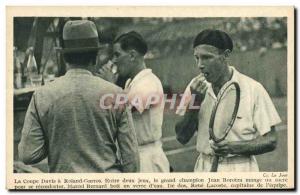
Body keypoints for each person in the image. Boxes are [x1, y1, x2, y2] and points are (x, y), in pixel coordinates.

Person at [18, 20, 139, 173]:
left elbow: (27, 154)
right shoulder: (116, 94)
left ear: (64, 57)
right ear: (95, 56)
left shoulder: (42, 95)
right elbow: (131, 162)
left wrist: (56, 139)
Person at [175, 29, 281, 172]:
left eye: (206, 57)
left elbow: (271, 140)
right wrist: (194, 103)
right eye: (197, 58)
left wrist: (234, 147)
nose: (200, 64)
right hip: (204, 167)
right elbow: (182, 137)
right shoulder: (195, 87)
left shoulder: (253, 88)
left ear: (225, 55)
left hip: (241, 168)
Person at [98, 31, 170, 172]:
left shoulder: (148, 82)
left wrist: (110, 87)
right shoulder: (132, 82)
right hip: (135, 154)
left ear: (132, 55)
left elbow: (124, 110)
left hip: (147, 159)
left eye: (117, 54)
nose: (114, 60)